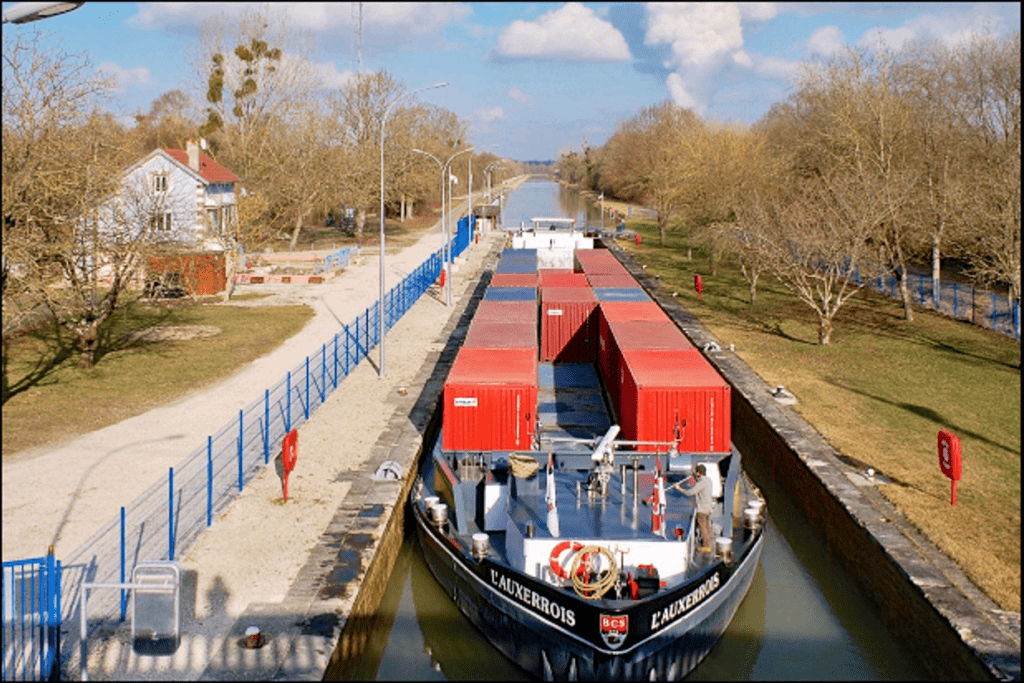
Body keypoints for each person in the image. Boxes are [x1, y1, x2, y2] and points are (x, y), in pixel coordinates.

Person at [672, 464, 713, 552]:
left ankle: (707, 546)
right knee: (707, 526)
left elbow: (690, 492)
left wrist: (679, 488)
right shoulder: (708, 480)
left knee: (703, 527)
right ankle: (706, 543)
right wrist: (695, 478)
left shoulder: (701, 483)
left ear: (698, 473)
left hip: (702, 509)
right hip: (708, 507)